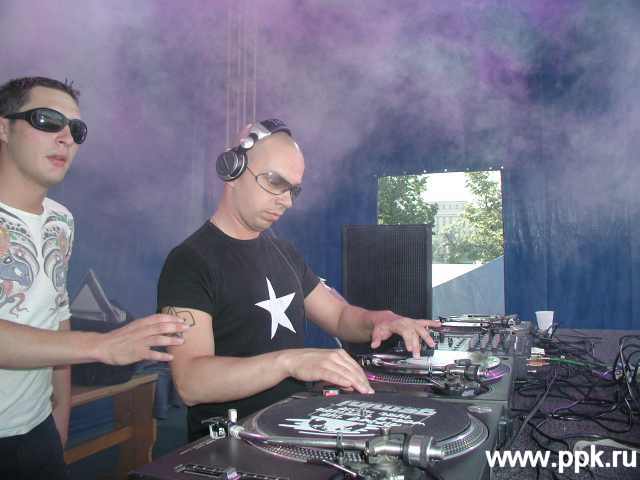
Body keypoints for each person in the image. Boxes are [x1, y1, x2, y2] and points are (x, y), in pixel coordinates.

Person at [157, 119, 440, 441]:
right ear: (232, 170)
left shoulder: (284, 252)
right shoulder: (189, 262)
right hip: (232, 444)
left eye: (293, 189)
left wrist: (382, 320)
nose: (287, 201)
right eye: (274, 182)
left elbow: (339, 317)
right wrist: (289, 362)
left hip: (292, 432)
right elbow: (191, 382)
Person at [0, 76, 190, 480]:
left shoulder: (61, 220)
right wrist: (102, 346)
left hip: (37, 434)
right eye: (47, 120)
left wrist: (59, 417)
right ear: (4, 127)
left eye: (76, 129)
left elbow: (56, 316)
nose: (66, 137)